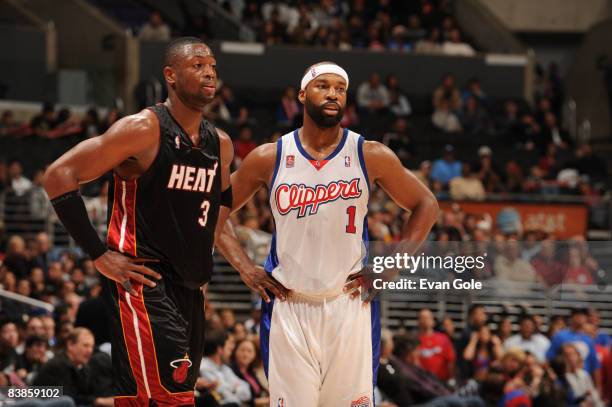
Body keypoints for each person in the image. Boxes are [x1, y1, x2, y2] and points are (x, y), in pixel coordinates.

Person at [217, 61, 438, 406]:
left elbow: (426, 204)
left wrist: (392, 265)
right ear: (303, 94)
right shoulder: (268, 158)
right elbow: (215, 212)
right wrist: (244, 266)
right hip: (289, 305)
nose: (333, 93)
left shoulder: (370, 154)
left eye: (340, 88)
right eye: (323, 86)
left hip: (349, 305)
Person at [43, 37, 236, 405]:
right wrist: (99, 254)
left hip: (190, 288)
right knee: (174, 398)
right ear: (171, 76)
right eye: (197, 65)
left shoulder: (220, 143)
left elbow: (223, 200)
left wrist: (201, 248)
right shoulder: (143, 129)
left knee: (139, 398)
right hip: (144, 280)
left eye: (211, 64)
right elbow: (59, 175)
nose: (209, 71)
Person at [33, 328, 114, 406]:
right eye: (85, 345)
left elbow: (88, 392)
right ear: (70, 345)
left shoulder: (83, 368)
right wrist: (98, 401)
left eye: (91, 347)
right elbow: (66, 396)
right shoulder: (57, 365)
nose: (90, 350)